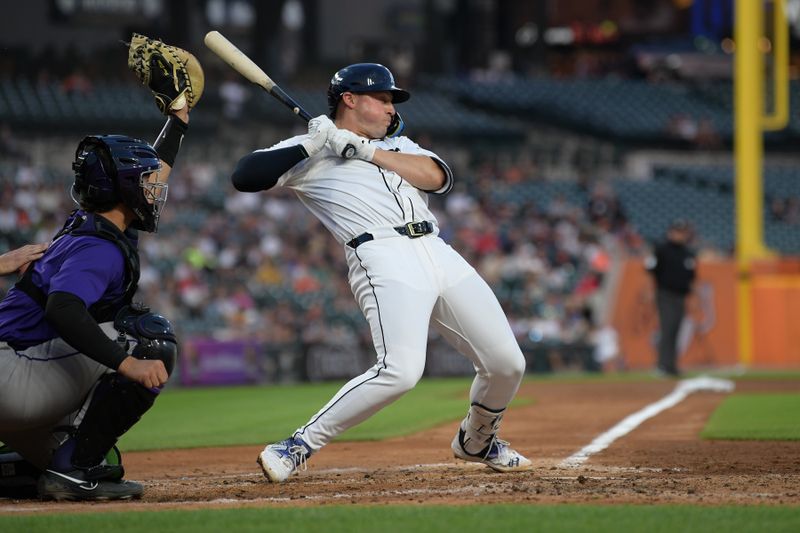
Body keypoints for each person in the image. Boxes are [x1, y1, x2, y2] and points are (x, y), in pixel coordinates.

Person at [231, 63, 531, 483]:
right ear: (350, 100)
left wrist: (366, 150)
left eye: (392, 101)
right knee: (401, 371)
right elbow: (244, 177)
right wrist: (313, 146)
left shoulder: (398, 144)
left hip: (437, 250)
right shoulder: (313, 145)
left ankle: (476, 440)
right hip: (381, 254)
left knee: (507, 364)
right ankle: (297, 445)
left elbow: (438, 177)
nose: (392, 108)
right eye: (384, 98)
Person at [0, 103, 190, 501]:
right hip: (14, 381)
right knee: (148, 337)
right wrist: (127, 363)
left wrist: (178, 122)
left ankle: (33, 461)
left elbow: (144, 175)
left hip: (13, 375)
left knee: (98, 459)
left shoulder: (86, 224)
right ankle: (73, 471)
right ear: (125, 190)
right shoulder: (98, 248)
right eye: (147, 183)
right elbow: (63, 308)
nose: (154, 190)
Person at [645, 219, 697, 377]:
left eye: (682, 232)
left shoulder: (687, 253)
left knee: (676, 329)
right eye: (677, 232)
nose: (680, 235)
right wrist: (650, 289)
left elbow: (691, 275)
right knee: (667, 328)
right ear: (670, 232)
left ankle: (672, 365)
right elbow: (650, 269)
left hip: (680, 296)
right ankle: (662, 365)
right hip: (665, 294)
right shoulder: (661, 250)